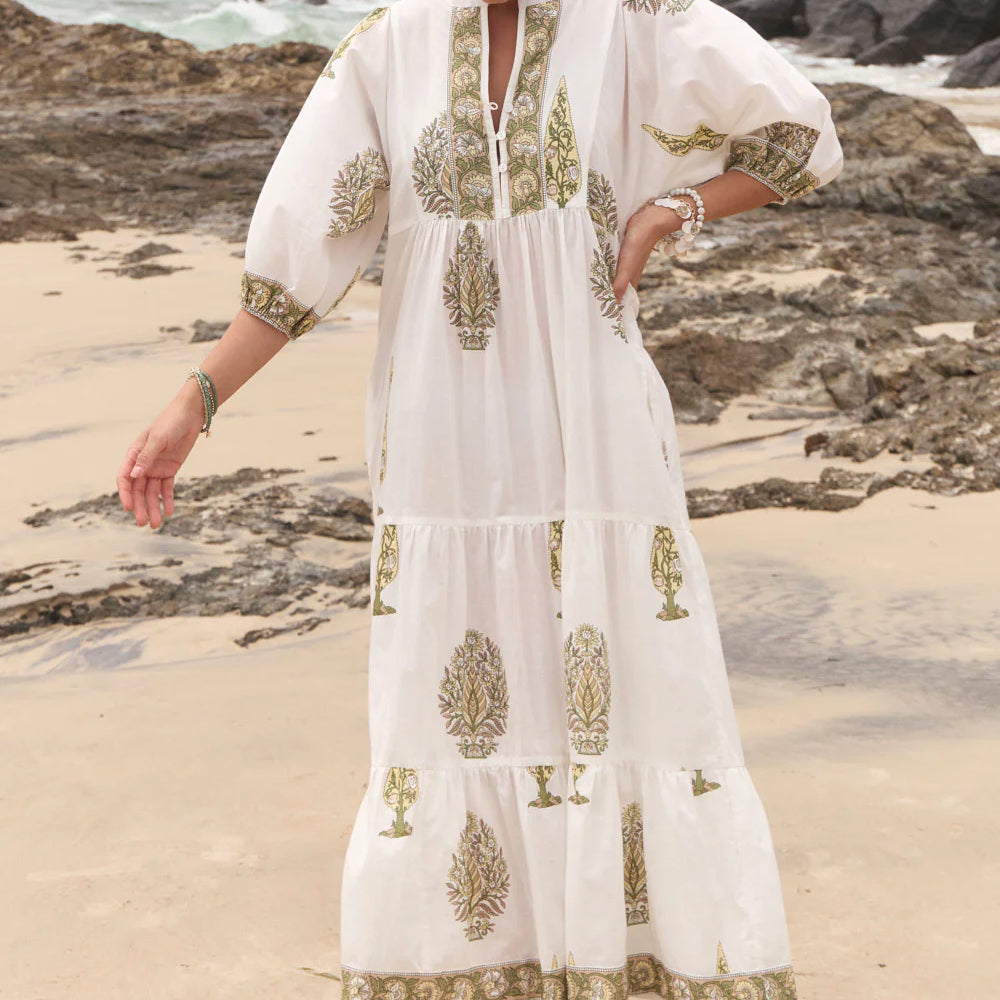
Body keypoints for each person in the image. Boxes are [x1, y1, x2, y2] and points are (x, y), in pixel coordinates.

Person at [118, 0, 843, 996]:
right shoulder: (385, 52)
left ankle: (626, 956)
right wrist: (195, 401)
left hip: (593, 435)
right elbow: (299, 257)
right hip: (442, 445)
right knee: (451, 699)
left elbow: (800, 136)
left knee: (623, 678)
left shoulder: (636, 23)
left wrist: (672, 210)